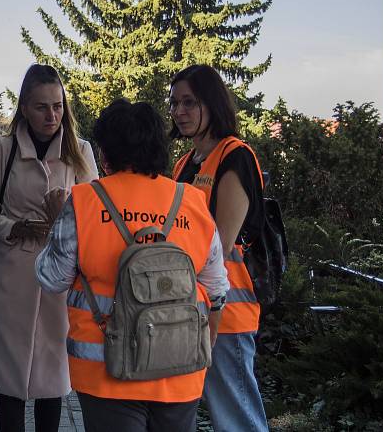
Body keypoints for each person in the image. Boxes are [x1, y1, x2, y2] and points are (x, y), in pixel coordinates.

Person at [35, 98, 229, 431]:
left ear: (106, 151)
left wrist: (56, 223)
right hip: (180, 367)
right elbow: (218, 290)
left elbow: (52, 278)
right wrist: (204, 346)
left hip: (105, 370)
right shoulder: (192, 203)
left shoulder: (84, 201)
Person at [0, 63, 98, 432]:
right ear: (24, 107)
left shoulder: (80, 150)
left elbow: (96, 212)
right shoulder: (3, 148)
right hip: (11, 272)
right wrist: (13, 227)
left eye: (57, 106)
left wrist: (65, 213)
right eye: (42, 107)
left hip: (59, 273)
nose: (52, 115)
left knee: (51, 378)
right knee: (10, 379)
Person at [169, 64, 268, 431]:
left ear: (212, 103)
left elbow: (222, 244)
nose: (179, 112)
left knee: (236, 418)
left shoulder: (235, 156)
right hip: (188, 310)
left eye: (189, 102)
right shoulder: (184, 164)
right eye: (175, 103)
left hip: (227, 314)